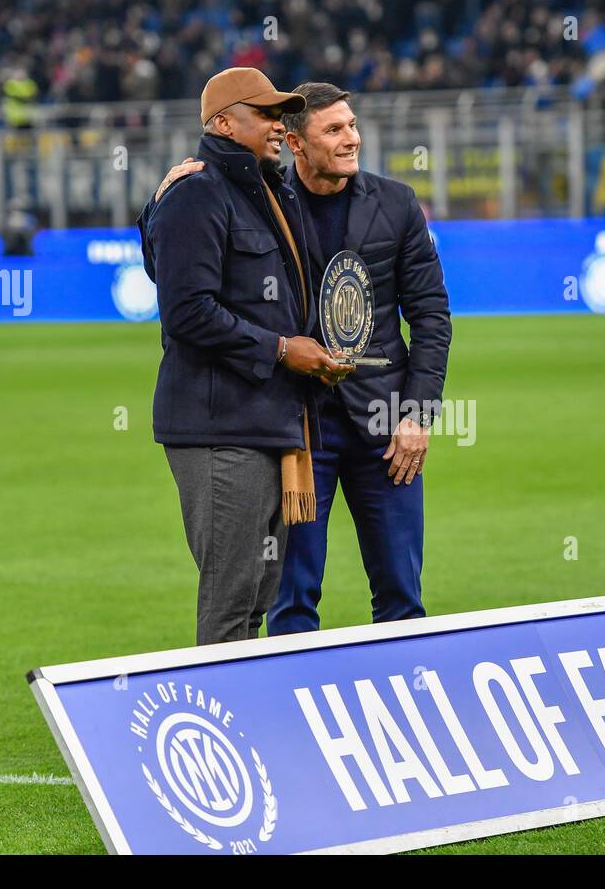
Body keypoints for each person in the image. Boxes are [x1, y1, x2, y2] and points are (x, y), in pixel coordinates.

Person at [148, 81, 452, 635]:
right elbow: (187, 272)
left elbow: (431, 315)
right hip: (298, 426)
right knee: (288, 596)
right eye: (334, 130)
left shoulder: (396, 203)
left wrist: (418, 414)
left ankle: (406, 710)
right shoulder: (268, 200)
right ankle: (289, 714)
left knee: (402, 596)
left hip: (385, 425)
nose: (351, 139)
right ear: (295, 142)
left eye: (352, 126)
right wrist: (156, 204)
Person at [138, 67, 352, 645]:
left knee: (258, 593)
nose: (280, 124)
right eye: (266, 114)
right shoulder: (197, 191)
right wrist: (283, 350)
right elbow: (187, 311)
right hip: (218, 426)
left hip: (265, 419)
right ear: (224, 123)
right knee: (232, 599)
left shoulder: (262, 190)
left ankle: (247, 722)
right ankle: (220, 731)